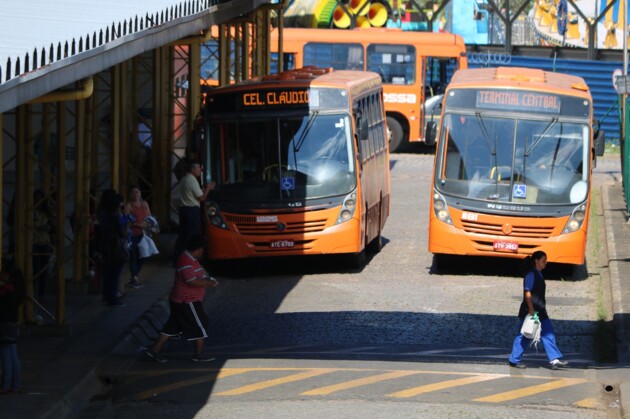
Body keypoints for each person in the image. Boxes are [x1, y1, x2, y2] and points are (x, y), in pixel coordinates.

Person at [146, 235, 219, 363]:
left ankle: (154, 351)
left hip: (180, 300)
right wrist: (208, 282)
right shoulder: (186, 260)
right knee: (200, 324)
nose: (202, 252)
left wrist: (208, 279)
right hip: (187, 300)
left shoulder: (192, 260)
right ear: (197, 248)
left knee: (172, 327)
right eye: (202, 249)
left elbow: (200, 274)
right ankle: (199, 354)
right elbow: (191, 281)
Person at [508, 251, 569, 370]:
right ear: (536, 261)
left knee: (548, 333)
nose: (546, 263)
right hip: (532, 311)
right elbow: (527, 292)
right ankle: (514, 359)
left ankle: (554, 360)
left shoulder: (538, 273)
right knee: (524, 334)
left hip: (540, 311)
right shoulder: (531, 274)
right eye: (543, 261)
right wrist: (531, 308)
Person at [172, 161, 215, 266]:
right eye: (198, 168)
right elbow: (201, 198)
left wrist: (203, 190)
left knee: (182, 236)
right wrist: (208, 189)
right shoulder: (192, 180)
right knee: (192, 236)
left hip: (184, 210)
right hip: (191, 211)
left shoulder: (184, 179)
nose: (200, 170)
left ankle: (176, 259)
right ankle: (188, 260)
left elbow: (194, 193)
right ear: (192, 169)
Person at [99, 192, 128, 307]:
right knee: (115, 274)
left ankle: (106, 295)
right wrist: (125, 217)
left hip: (105, 246)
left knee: (108, 272)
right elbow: (122, 232)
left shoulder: (103, 214)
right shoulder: (114, 216)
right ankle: (113, 298)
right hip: (115, 247)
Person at [0, 269, 25, 394]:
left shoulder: (6, 291)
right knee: (13, 356)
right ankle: (15, 385)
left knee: (5, 357)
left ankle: (5, 385)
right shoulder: (17, 292)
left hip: (4, 325)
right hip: (13, 324)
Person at [125, 185, 152, 289]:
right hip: (132, 234)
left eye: (137, 192)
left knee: (143, 255)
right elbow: (127, 221)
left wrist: (147, 224)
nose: (135, 194)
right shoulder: (129, 205)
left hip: (143, 234)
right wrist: (139, 225)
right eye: (133, 192)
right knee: (133, 256)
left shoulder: (144, 204)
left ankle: (134, 276)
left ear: (140, 193)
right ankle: (135, 277)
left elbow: (149, 216)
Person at [33, 189, 54, 299]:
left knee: (44, 269)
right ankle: (33, 290)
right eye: (36, 197)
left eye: (40, 197)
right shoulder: (29, 211)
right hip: (33, 242)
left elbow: (52, 227)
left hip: (44, 242)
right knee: (36, 268)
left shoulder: (46, 212)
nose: (38, 199)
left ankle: (41, 293)